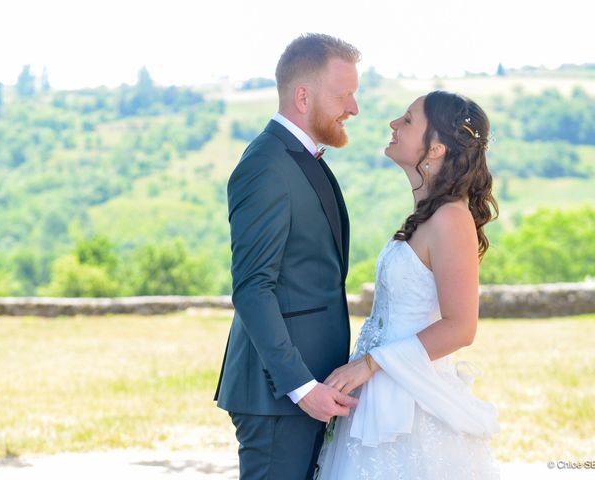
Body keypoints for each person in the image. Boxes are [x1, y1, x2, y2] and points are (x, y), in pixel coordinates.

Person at [315, 91, 501, 479]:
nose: (393, 125)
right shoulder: (427, 215)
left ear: (435, 148)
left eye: (407, 120)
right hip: (376, 395)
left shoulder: (451, 219)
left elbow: (460, 328)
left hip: (408, 406)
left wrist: (371, 364)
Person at [214, 33, 361, 479]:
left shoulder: (300, 158)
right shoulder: (265, 165)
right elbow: (253, 289)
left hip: (310, 390)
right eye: (344, 95)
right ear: (303, 95)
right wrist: (301, 387)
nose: (353, 108)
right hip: (280, 396)